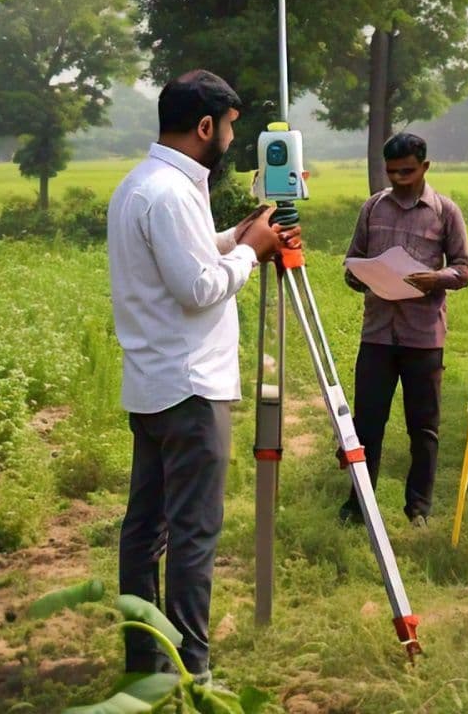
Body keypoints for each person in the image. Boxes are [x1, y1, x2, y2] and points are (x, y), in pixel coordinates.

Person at [107, 70, 293, 683]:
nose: (233, 141)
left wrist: (239, 235)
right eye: (231, 128)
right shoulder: (172, 193)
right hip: (190, 389)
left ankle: (146, 660)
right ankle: (193, 670)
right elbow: (198, 286)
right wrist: (252, 252)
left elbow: (185, 253)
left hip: (153, 385)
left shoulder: (142, 184)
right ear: (206, 126)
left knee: (145, 530)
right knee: (193, 534)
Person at [338, 132, 468, 527]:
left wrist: (436, 278)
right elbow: (353, 259)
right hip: (377, 334)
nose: (399, 179)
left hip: (423, 336)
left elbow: (464, 269)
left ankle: (418, 509)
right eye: (392, 172)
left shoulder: (445, 212)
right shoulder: (372, 208)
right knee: (367, 425)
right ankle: (359, 505)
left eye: (408, 171)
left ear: (425, 167)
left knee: (423, 427)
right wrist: (360, 275)